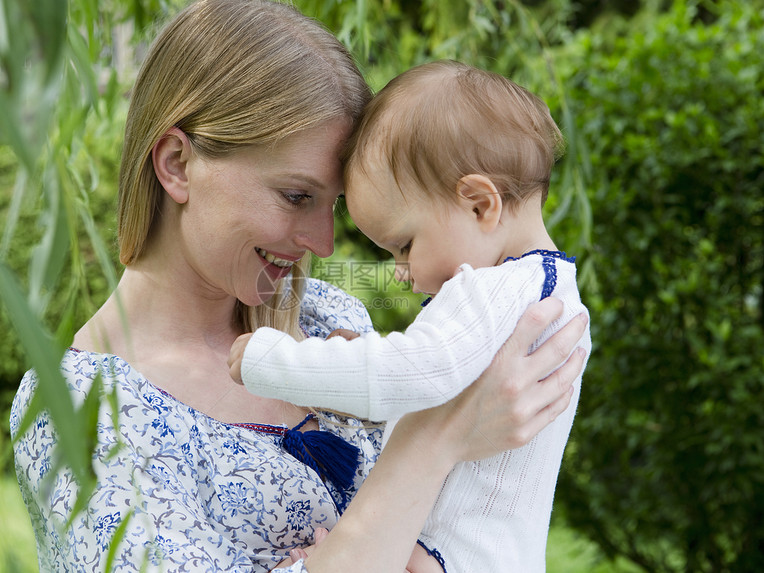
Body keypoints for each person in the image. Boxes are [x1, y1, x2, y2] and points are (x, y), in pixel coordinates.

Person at [10, 2, 588, 572]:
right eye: (296, 196)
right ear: (177, 164)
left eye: (332, 204)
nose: (324, 241)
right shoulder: (77, 411)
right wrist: (438, 439)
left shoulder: (325, 318)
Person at [229, 60, 592, 573]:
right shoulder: (551, 292)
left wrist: (272, 360)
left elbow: (412, 374)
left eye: (404, 245)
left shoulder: (492, 291)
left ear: (479, 205)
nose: (402, 272)